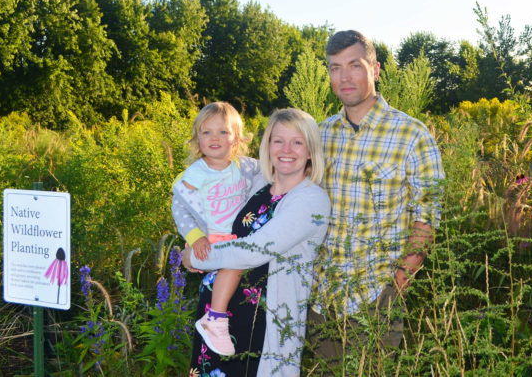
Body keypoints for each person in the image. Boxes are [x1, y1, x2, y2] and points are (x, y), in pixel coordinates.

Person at [306, 30, 445, 368]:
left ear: (376, 69)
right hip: (320, 302)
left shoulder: (412, 136)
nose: (344, 76)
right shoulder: (317, 136)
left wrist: (394, 289)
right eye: (335, 67)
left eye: (354, 65)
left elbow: (427, 220)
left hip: (375, 303)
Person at [181, 108, 331, 377]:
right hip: (217, 321)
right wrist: (196, 237)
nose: (286, 149)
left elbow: (252, 250)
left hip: (260, 329)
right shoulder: (257, 183)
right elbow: (213, 208)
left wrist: (195, 256)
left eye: (297, 142)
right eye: (278, 140)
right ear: (267, 145)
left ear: (310, 151)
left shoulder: (311, 200)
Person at [171, 101, 259, 356]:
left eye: (223, 132)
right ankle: (215, 318)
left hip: (233, 237)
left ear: (236, 139)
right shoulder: (196, 173)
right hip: (210, 239)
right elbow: (181, 209)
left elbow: (272, 168)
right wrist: (195, 237)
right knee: (233, 266)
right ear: (197, 139)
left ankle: (219, 320)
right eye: (206, 132)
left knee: (234, 269)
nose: (214, 138)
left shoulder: (244, 166)